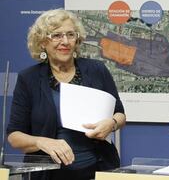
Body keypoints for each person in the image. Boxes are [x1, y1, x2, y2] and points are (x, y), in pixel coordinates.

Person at [7, 9, 126, 180]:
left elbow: (120, 113)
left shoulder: (97, 70)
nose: (65, 41)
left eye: (70, 34)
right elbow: (14, 136)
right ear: (42, 42)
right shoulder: (29, 79)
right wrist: (42, 142)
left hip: (98, 169)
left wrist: (112, 123)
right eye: (56, 35)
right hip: (47, 174)